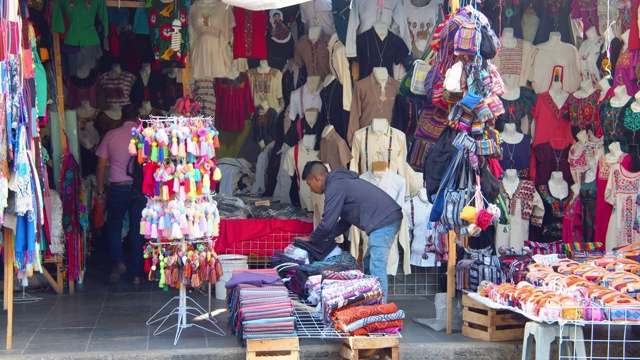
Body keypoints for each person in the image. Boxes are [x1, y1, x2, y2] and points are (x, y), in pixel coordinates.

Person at [301, 161, 402, 301]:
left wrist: (313, 238)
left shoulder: (335, 185)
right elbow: (345, 222)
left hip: (384, 220)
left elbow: (328, 221)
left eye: (309, 184)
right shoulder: (340, 182)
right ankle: (371, 300)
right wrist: (326, 237)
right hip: (386, 217)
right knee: (368, 262)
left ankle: (380, 310)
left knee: (376, 265)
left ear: (317, 178)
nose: (310, 189)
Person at [96, 104, 147, 284]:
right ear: (138, 118)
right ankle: (137, 274)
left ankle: (118, 261)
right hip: (138, 188)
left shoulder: (111, 135)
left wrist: (100, 190)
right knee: (137, 230)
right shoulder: (143, 137)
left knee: (114, 226)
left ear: (121, 116)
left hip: (117, 187)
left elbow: (101, 166)